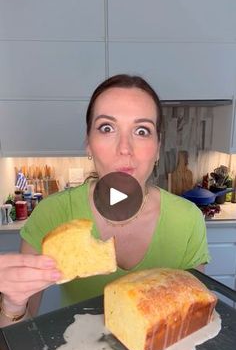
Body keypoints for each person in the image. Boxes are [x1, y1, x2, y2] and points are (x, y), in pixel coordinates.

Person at [0, 73, 209, 325]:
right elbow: (18, 335)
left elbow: (194, 317)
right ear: (89, 143)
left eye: (142, 131)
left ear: (157, 147)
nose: (124, 148)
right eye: (107, 128)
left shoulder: (187, 219)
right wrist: (13, 303)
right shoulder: (54, 213)